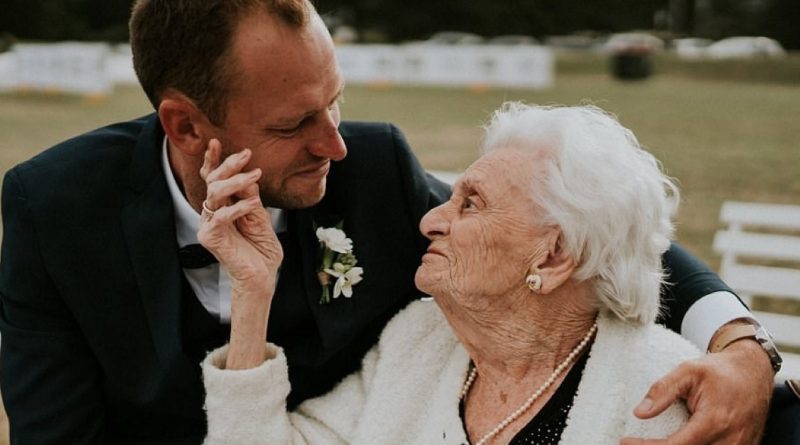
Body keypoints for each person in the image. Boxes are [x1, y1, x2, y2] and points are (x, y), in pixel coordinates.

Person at [0, 0, 774, 443]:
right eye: (297, 122)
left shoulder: (369, 170)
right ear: (185, 125)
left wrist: (741, 345)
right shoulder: (52, 210)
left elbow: (593, 229)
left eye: (335, 102)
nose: (333, 141)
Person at [198, 103, 709, 443]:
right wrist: (252, 291)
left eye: (471, 204)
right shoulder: (416, 342)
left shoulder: (656, 391)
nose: (430, 219)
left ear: (553, 258)